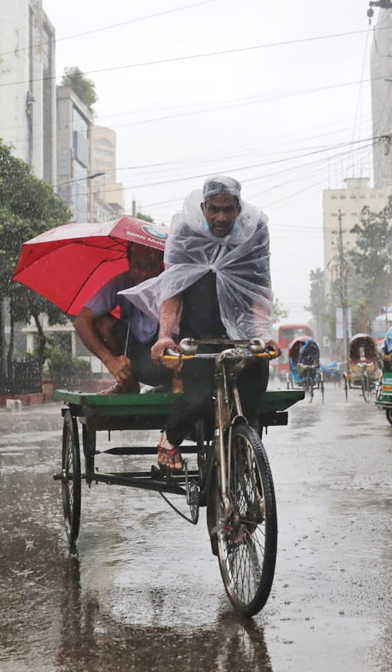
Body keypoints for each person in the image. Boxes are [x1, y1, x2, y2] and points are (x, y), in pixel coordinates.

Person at [123, 176, 277, 471]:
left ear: (238, 207)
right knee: (197, 397)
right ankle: (169, 439)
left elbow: (259, 286)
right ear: (204, 206)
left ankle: (242, 464)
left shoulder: (255, 230)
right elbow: (173, 288)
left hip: (243, 333)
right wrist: (165, 335)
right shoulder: (185, 231)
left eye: (228, 209)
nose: (221, 217)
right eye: (214, 209)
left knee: (252, 399)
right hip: (199, 329)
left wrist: (262, 333)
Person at [72, 244, 168, 394]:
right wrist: (109, 360)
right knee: (102, 324)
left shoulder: (171, 284)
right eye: (137, 265)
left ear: (162, 267)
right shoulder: (122, 283)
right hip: (136, 355)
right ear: (129, 265)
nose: (143, 273)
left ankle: (178, 384)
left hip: (168, 358)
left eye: (151, 266)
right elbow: (81, 321)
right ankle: (127, 382)